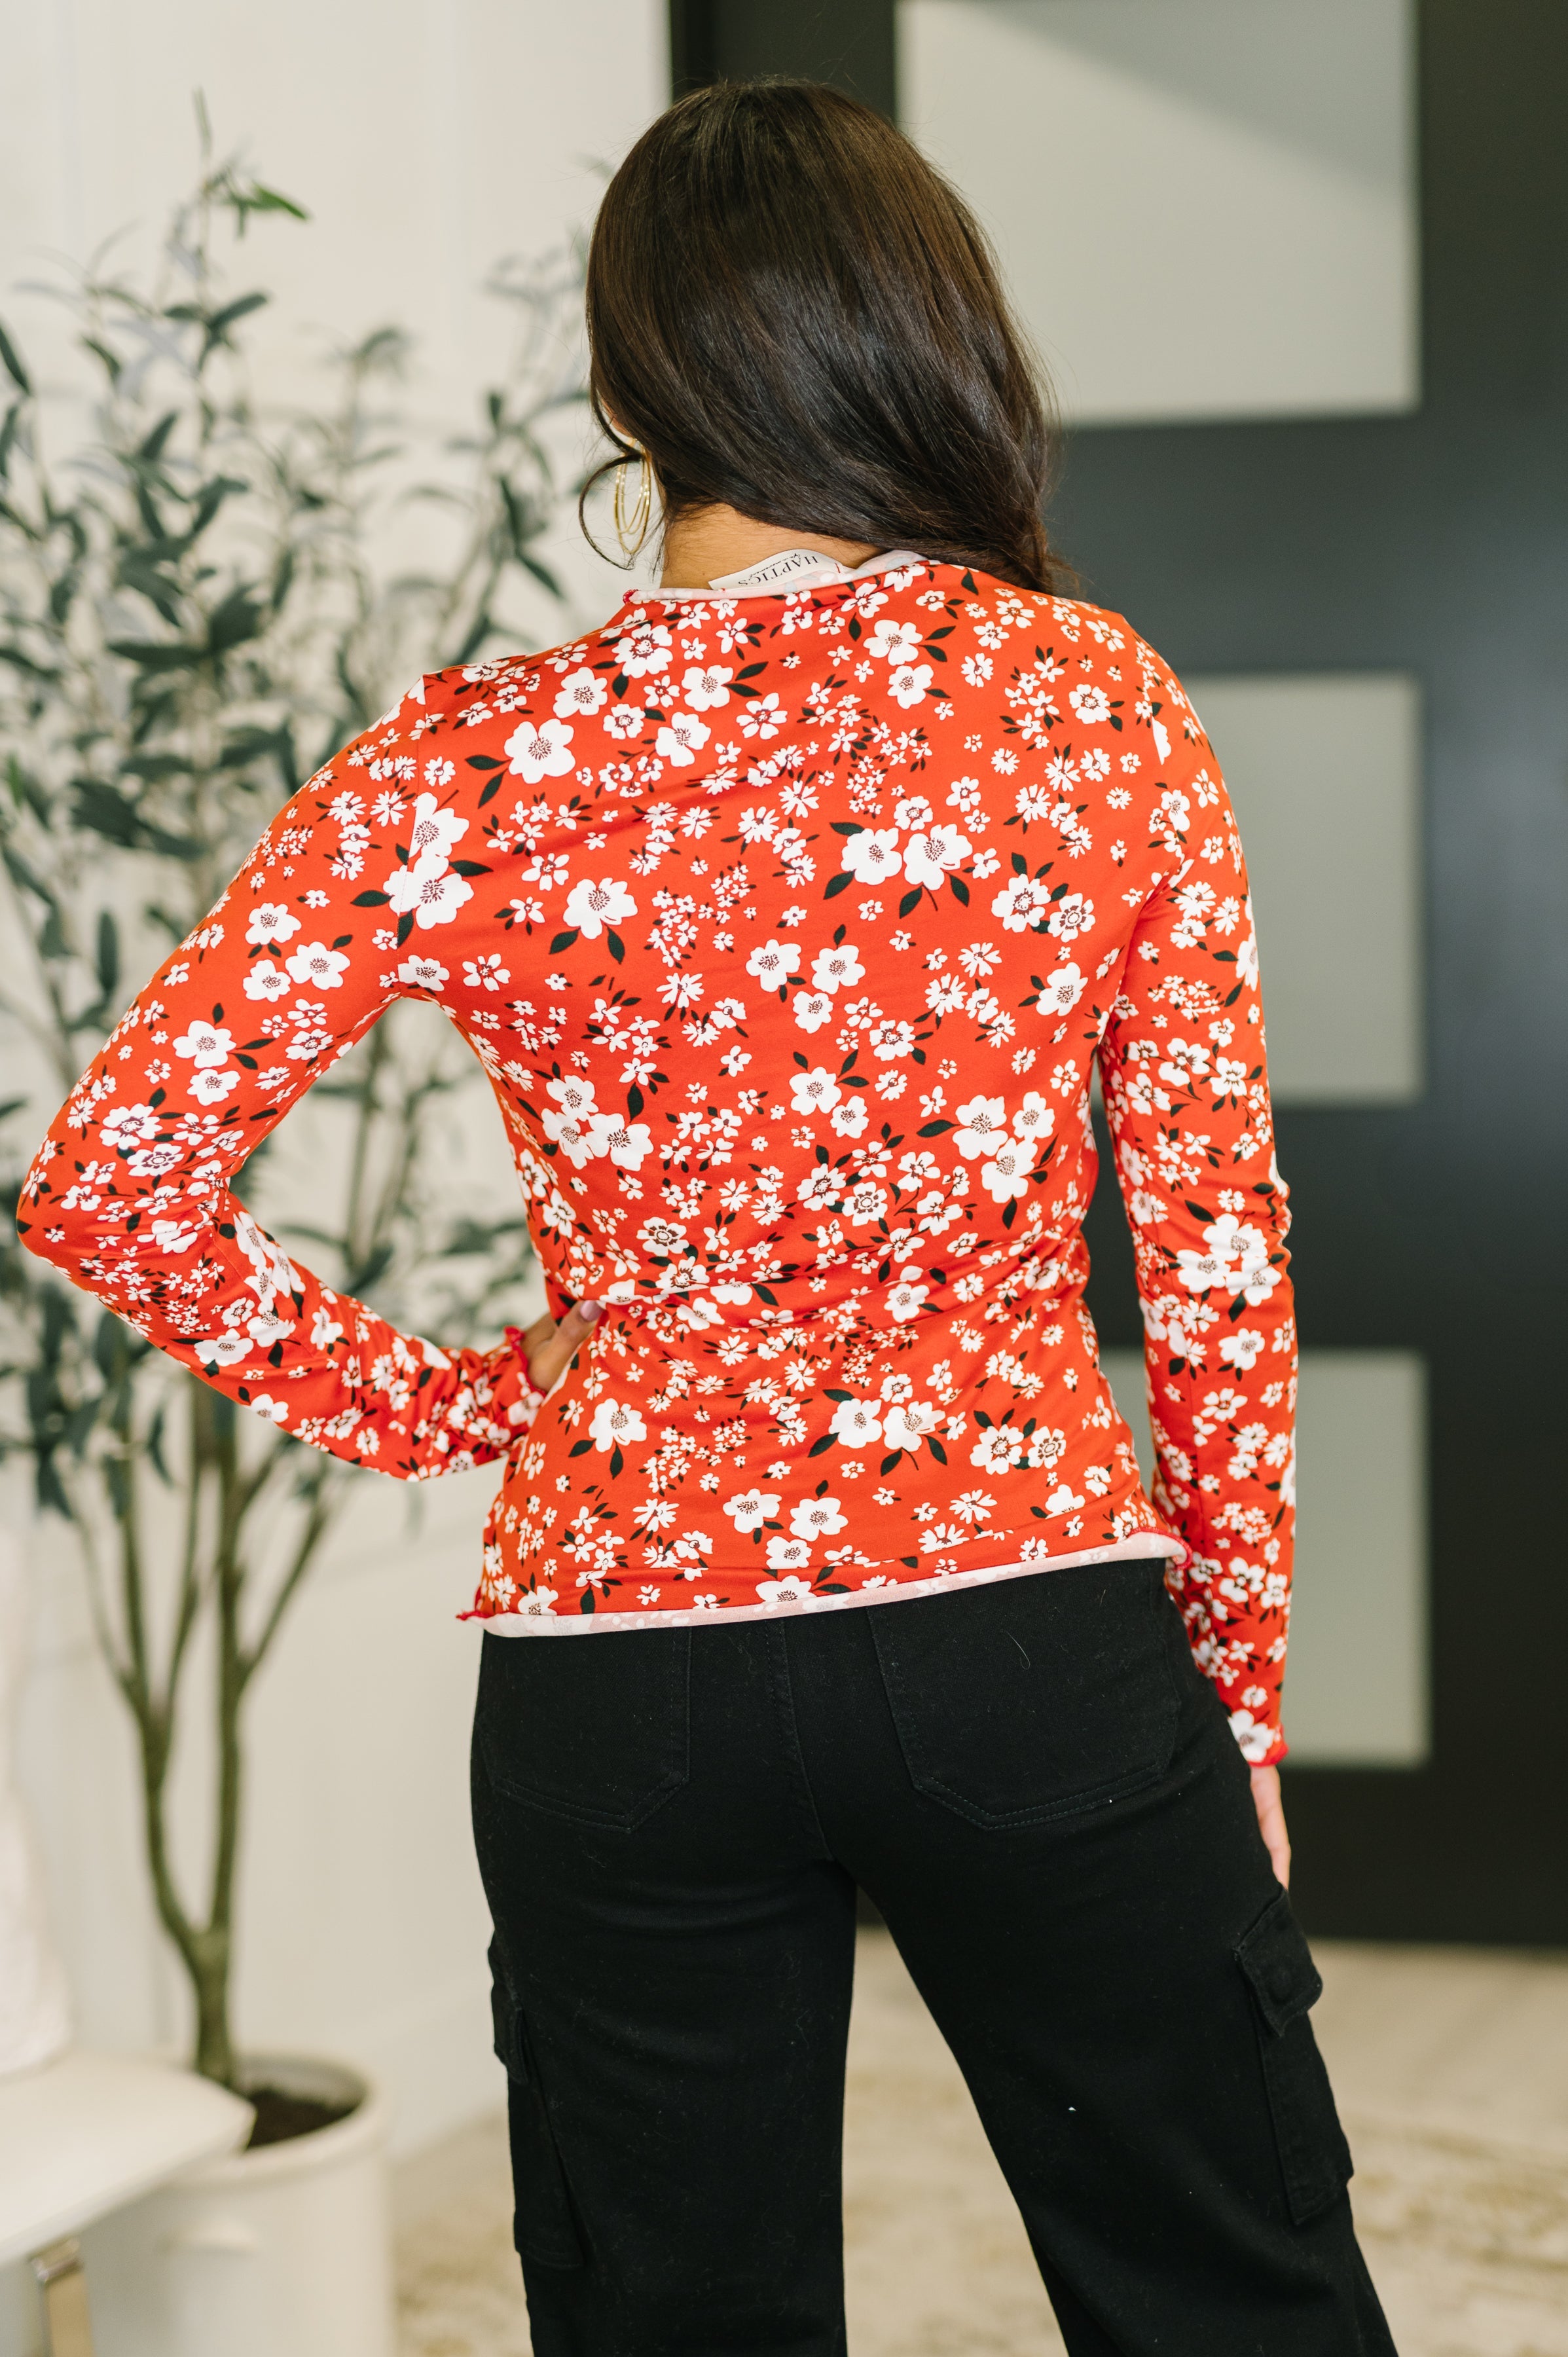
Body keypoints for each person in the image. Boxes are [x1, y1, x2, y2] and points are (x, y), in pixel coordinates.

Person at [19, 77, 1395, 2357]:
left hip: (618, 1665)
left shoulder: (466, 751)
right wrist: (1233, 1700)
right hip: (1028, 1627)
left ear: (623, 391)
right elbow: (1220, 1260)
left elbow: (114, 1180)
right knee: (1229, 2286)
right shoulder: (1089, 704)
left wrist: (462, 1403)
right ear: (923, 332)